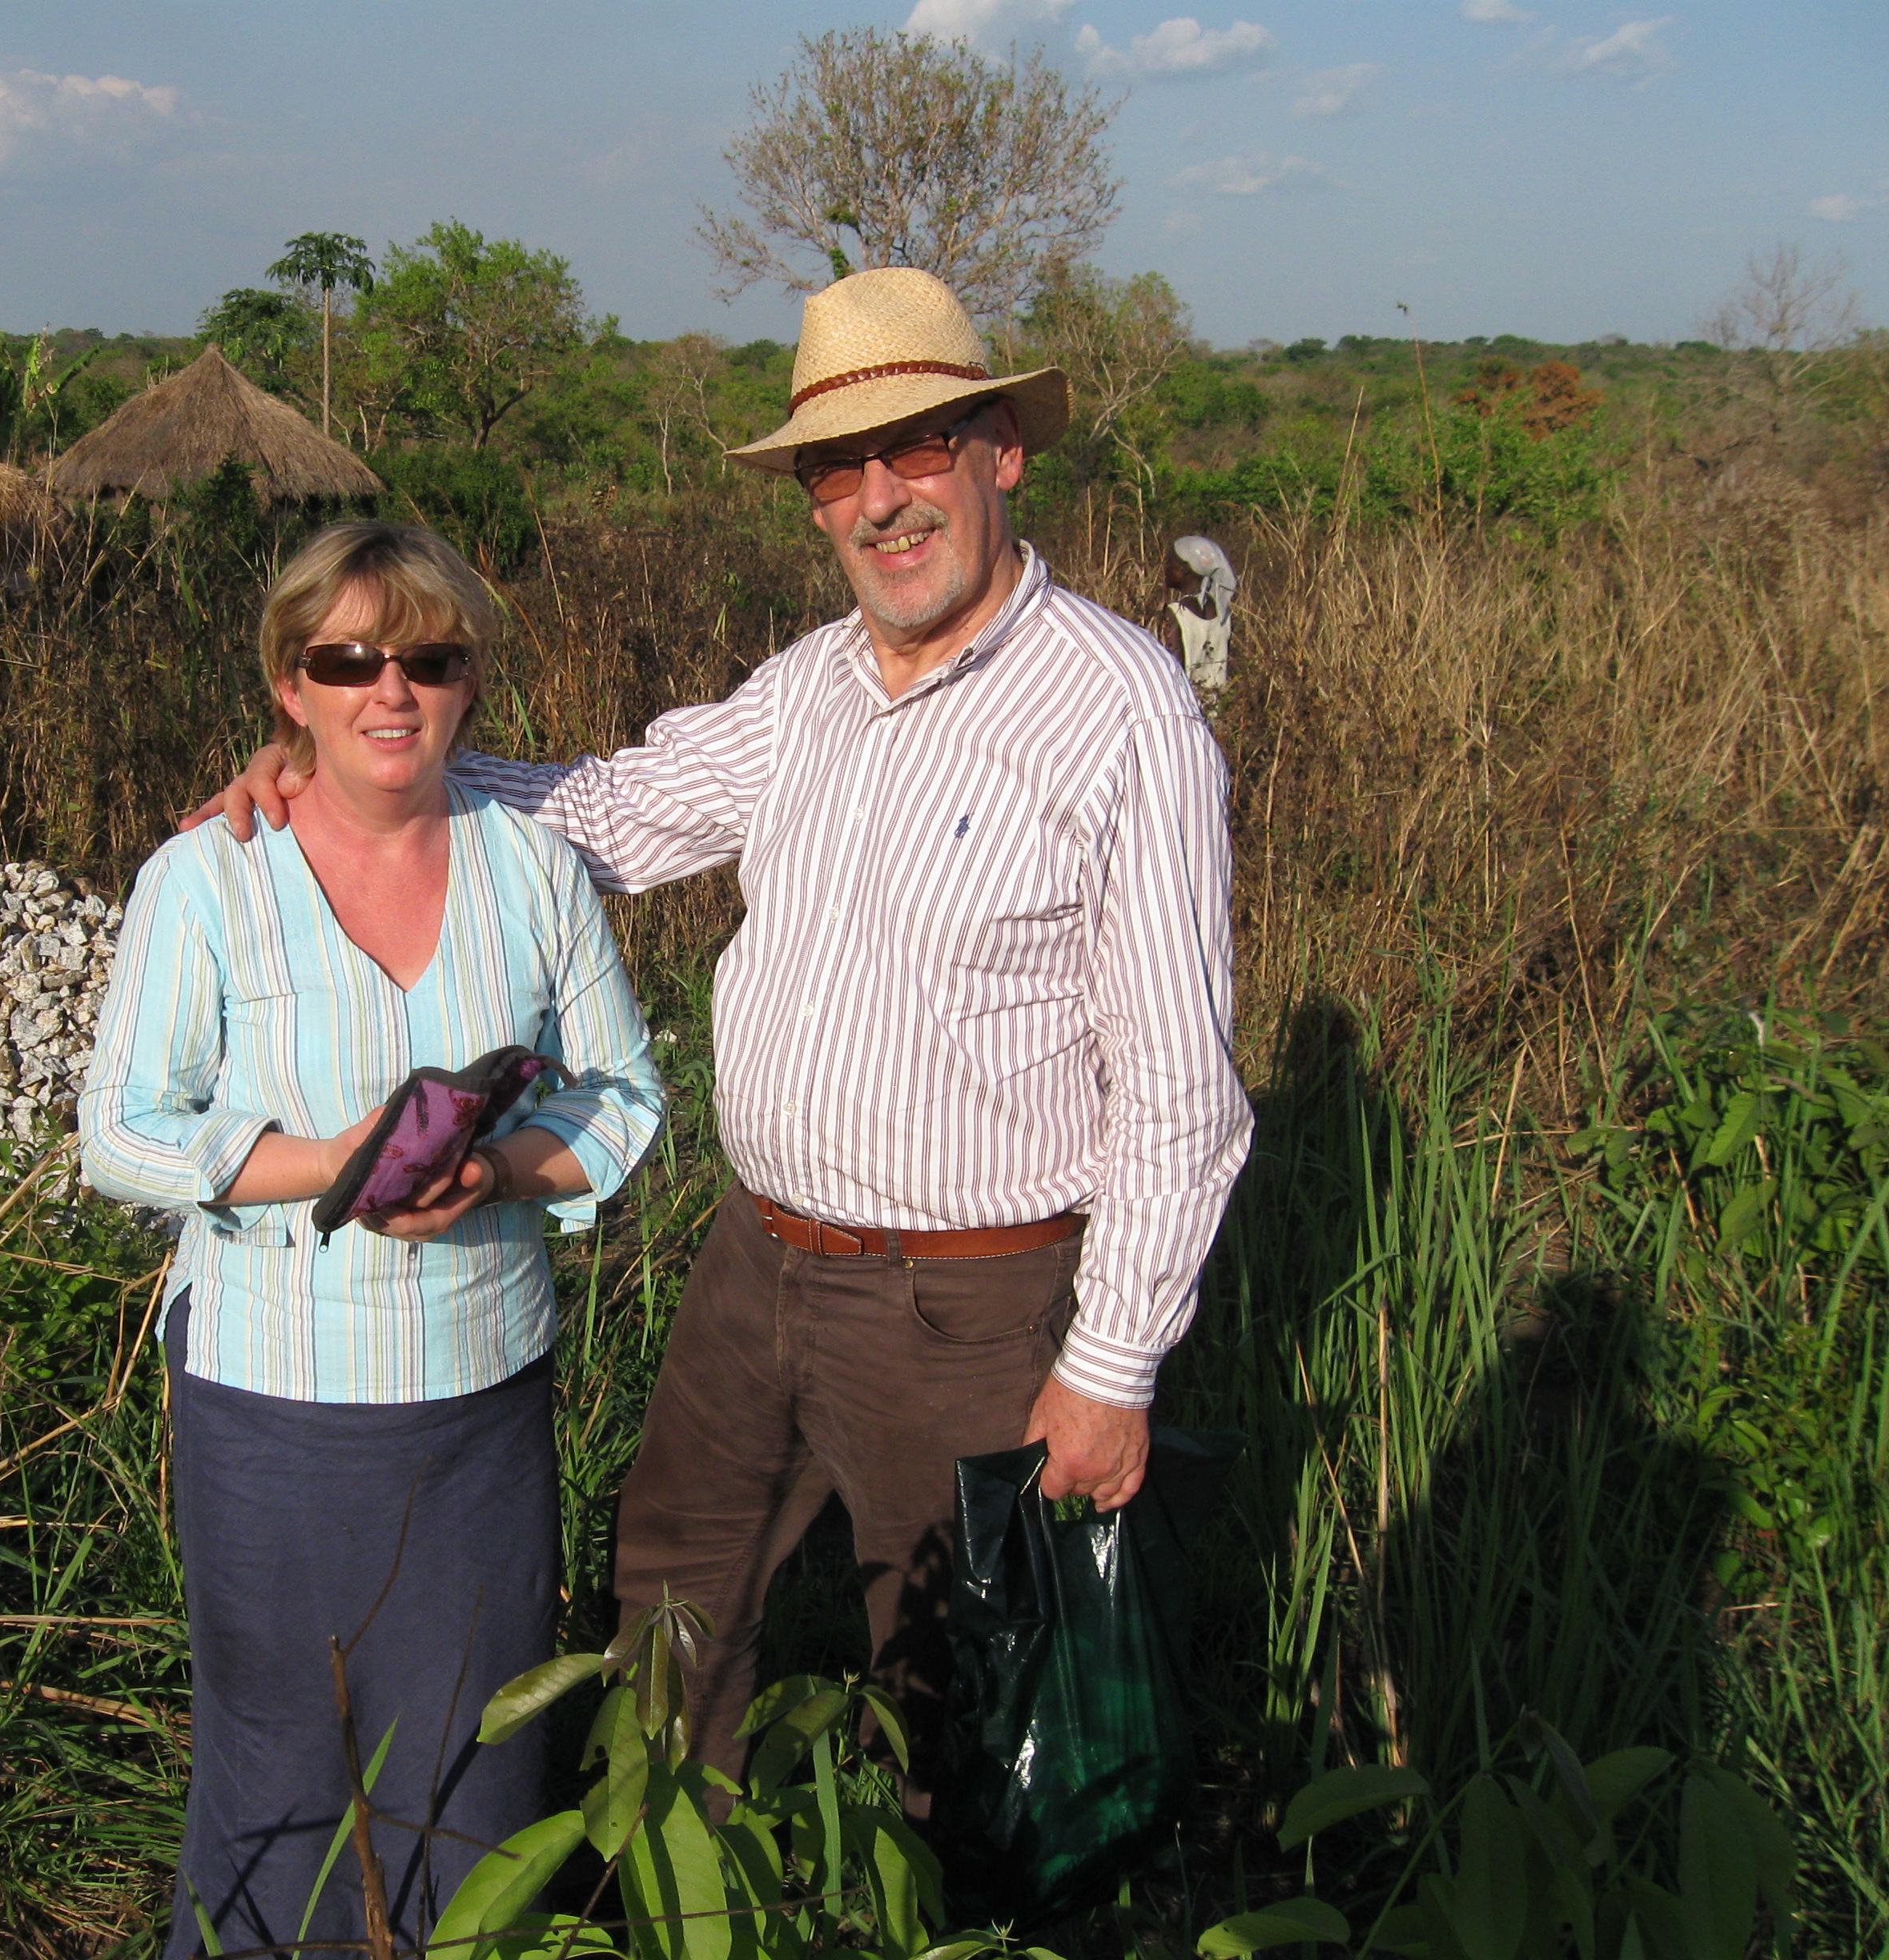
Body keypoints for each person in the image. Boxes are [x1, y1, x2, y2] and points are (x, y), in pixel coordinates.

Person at [192, 269, 1252, 1817]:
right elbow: (613, 814)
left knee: (954, 1672)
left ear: (998, 454)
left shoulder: (1118, 713)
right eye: (838, 466)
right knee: (674, 1594)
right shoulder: (808, 687)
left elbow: (1181, 1095)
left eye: (916, 450)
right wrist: (370, 761)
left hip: (966, 1302)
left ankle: (946, 1919)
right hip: (757, 1260)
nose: (880, 500)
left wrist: (1108, 1369)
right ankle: (690, 1889)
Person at [81, 522, 664, 1956]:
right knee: (280, 1771)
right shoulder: (206, 879)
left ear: (472, 682)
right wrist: (323, 1162)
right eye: (347, 659)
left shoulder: (530, 868)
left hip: (479, 1408)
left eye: (429, 657)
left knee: (476, 1761)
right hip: (272, 1413)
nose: (387, 689)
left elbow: (622, 1096)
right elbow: (120, 1132)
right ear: (291, 686)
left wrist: (510, 1169)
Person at [1163, 534, 1236, 703]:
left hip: (1188, 707)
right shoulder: (1223, 613)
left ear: (1185, 569)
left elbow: (1174, 666)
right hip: (1219, 709)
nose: (1165, 568)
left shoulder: (1176, 613)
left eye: (1169, 562)